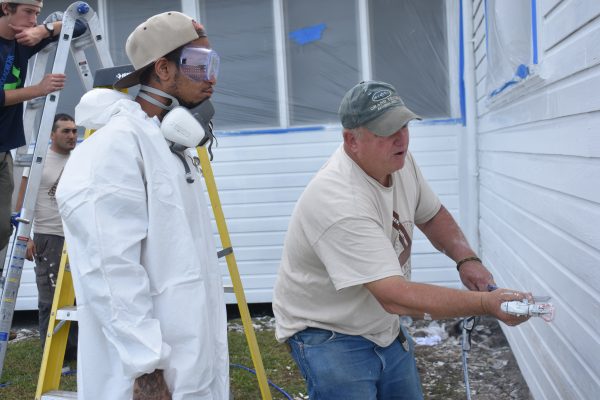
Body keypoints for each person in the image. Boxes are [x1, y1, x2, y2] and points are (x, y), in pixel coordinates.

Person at [272, 80, 533, 400]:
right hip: (328, 332)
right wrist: (486, 304)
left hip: (381, 324)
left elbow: (432, 213)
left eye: (404, 126)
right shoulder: (339, 200)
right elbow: (395, 296)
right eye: (386, 131)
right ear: (351, 140)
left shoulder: (399, 160)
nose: (401, 139)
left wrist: (466, 258)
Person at [55, 11, 228, 400]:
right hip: (143, 380)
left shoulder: (168, 148)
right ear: (163, 69)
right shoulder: (116, 146)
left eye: (214, 64)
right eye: (200, 65)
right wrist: (147, 368)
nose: (212, 77)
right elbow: (109, 267)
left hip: (187, 365)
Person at [0, 0, 67, 253]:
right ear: (6, 9)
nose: (33, 20)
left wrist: (45, 31)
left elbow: (80, 25)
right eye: (28, 12)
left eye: (37, 14)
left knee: (3, 229)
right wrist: (38, 90)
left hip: (4, 149)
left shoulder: (23, 42)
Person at [14, 113, 78, 360]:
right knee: (50, 299)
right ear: (52, 134)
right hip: (48, 236)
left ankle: (72, 355)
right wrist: (25, 236)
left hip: (77, 236)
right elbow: (22, 202)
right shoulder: (39, 162)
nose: (72, 135)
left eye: (74, 131)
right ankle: (51, 356)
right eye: (65, 131)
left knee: (75, 298)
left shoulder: (80, 159)